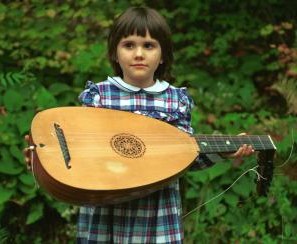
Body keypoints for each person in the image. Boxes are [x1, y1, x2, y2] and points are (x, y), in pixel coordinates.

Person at [24, 6, 254, 243]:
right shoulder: (100, 95)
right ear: (115, 52)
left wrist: (224, 151)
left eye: (149, 45)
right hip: (105, 210)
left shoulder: (175, 100)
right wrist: (44, 158)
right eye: (129, 45)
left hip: (156, 215)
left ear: (163, 55)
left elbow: (185, 157)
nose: (139, 54)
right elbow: (79, 148)